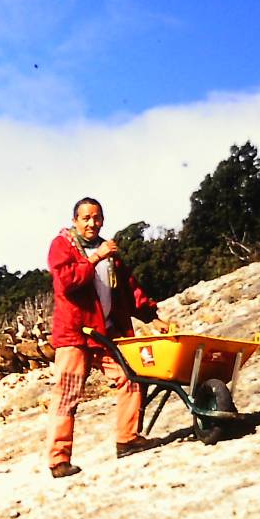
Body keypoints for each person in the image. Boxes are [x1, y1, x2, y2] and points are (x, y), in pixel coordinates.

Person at [45, 197, 170, 478]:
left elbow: (129, 290)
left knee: (131, 376)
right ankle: (58, 461)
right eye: (86, 218)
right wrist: (96, 257)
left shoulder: (110, 252)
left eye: (97, 217)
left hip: (106, 331)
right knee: (67, 396)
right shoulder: (63, 245)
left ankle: (127, 439)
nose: (92, 223)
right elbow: (66, 282)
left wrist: (153, 318)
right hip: (75, 334)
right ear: (75, 220)